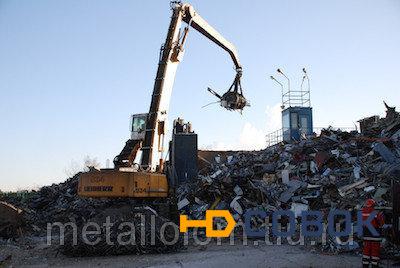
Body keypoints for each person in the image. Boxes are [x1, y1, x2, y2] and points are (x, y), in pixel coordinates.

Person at [362, 198, 384, 268]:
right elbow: (381, 223)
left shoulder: (362, 212)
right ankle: (374, 265)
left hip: (366, 233)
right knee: (375, 250)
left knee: (366, 250)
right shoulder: (376, 212)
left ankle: (365, 265)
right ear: (373, 204)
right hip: (375, 235)